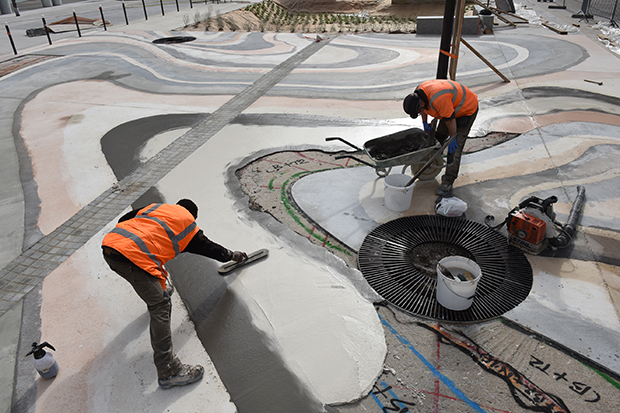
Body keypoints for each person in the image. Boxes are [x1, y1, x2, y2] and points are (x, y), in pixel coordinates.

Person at [101, 199, 247, 389]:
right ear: (193, 216)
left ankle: (155, 289)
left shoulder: (156, 208)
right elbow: (210, 248)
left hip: (112, 245)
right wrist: (232, 255)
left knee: (147, 276)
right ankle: (169, 371)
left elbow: (126, 218)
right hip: (129, 257)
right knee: (161, 304)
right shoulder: (188, 226)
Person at [403, 79, 479, 196]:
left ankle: (448, 181)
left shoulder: (439, 99)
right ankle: (432, 161)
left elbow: (450, 120)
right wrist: (424, 122)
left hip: (466, 109)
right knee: (438, 138)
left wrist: (453, 138)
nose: (421, 111)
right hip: (450, 108)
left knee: (454, 150)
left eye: (419, 110)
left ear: (421, 103)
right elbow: (424, 108)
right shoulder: (419, 93)